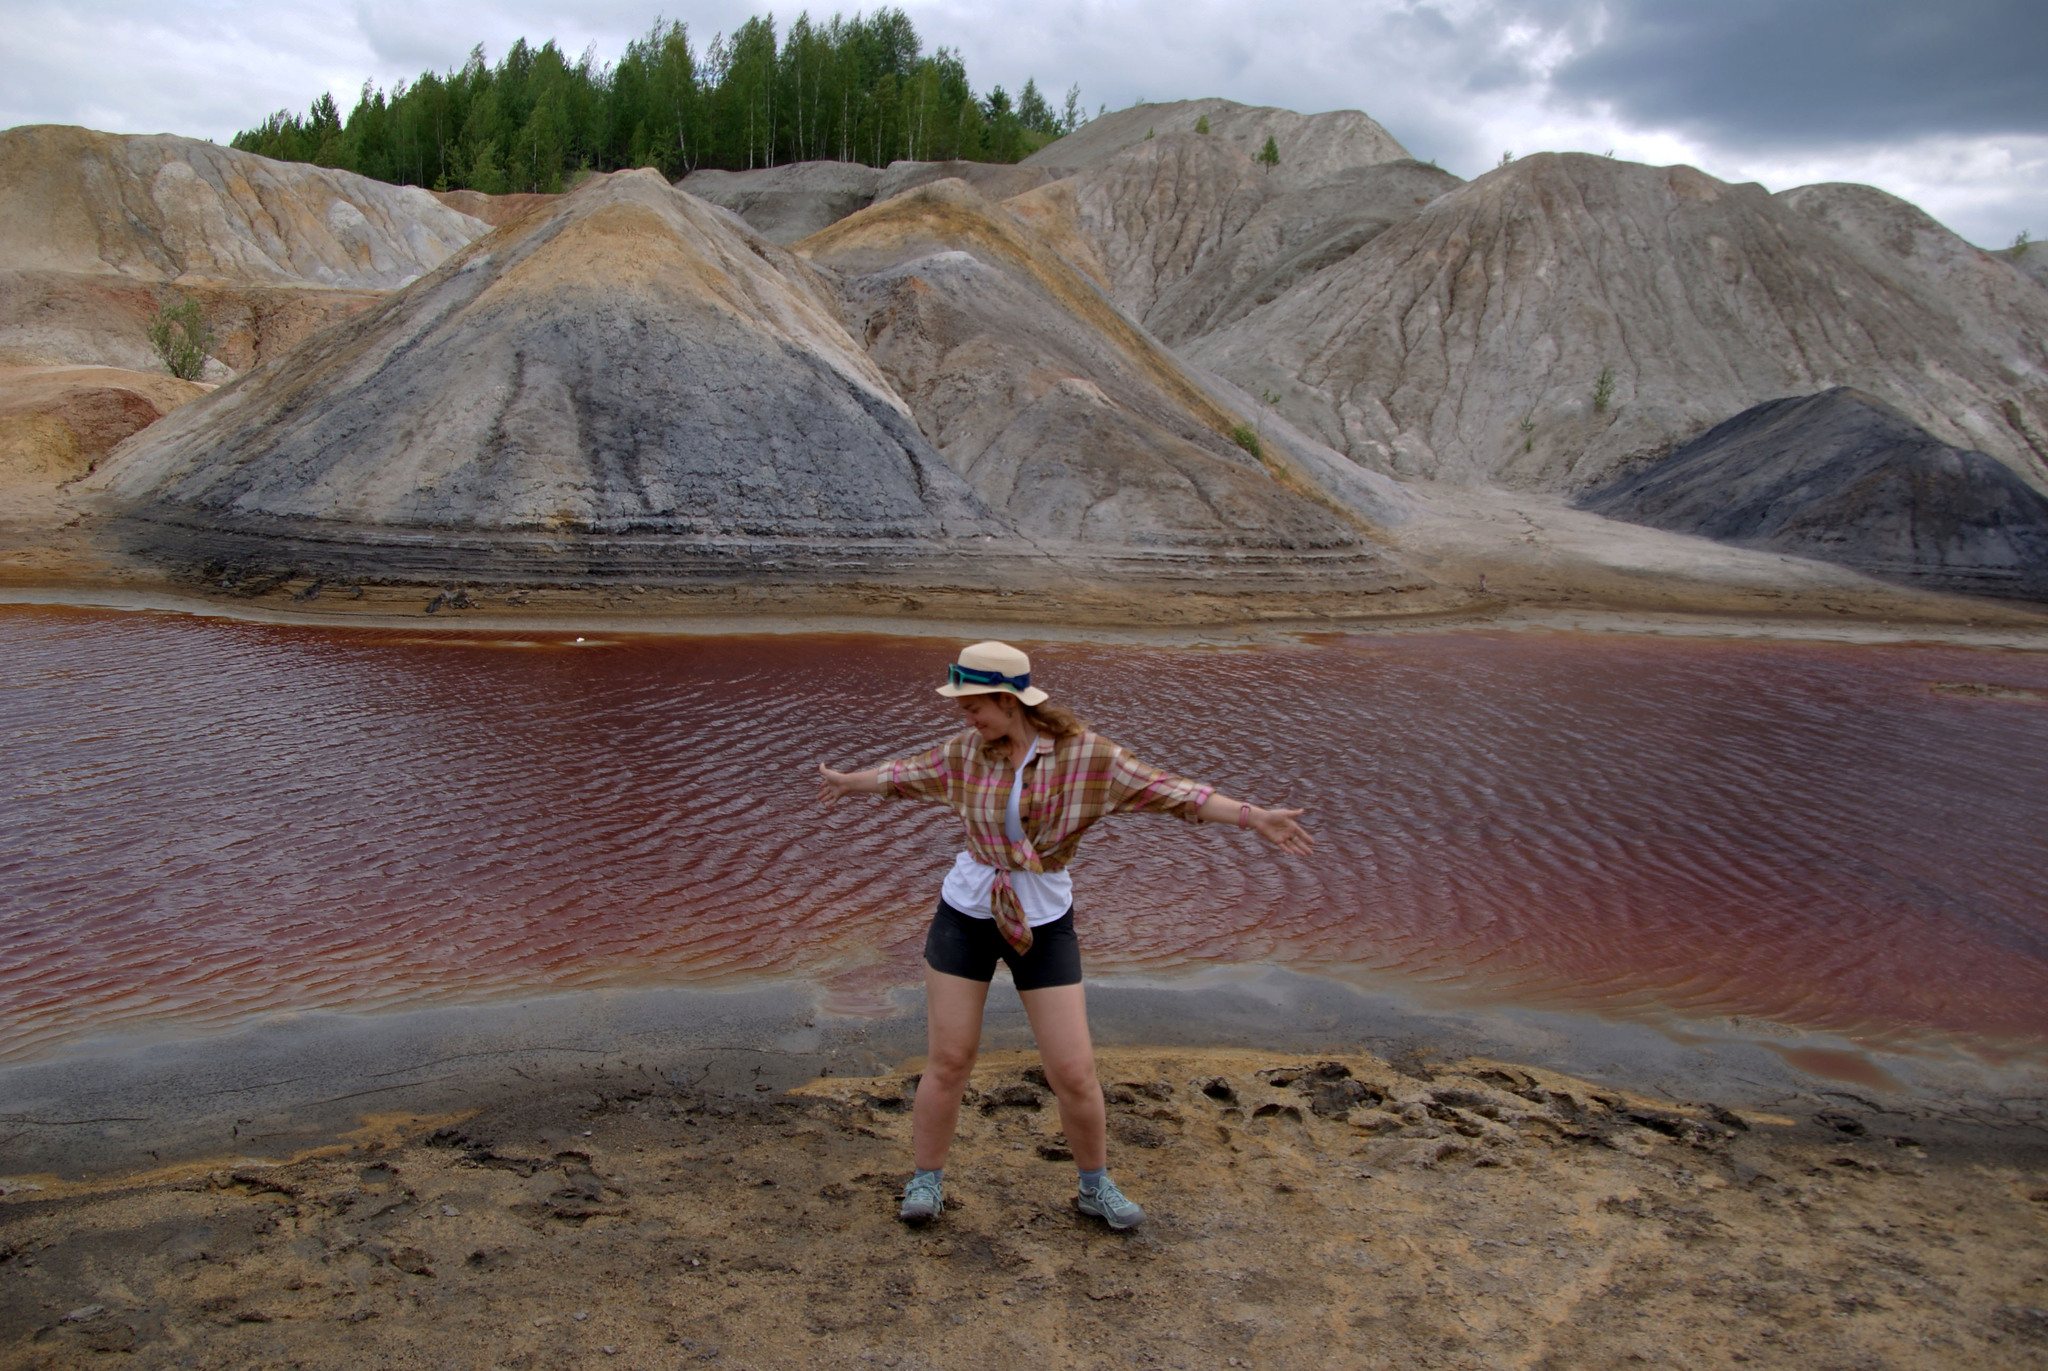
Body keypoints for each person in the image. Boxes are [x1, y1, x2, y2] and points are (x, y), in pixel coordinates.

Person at [816, 641, 1313, 1230]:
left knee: (1073, 1070)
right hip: (967, 913)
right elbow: (908, 775)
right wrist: (852, 783)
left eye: (973, 705)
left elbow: (1170, 792)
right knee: (949, 1060)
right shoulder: (964, 753)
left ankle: (1094, 1187)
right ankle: (926, 1180)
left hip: (1045, 919)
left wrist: (1253, 817)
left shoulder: (1089, 757)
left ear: (1007, 700)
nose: (966, 717)